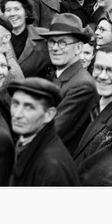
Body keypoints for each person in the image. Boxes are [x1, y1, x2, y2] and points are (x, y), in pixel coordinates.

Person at [40, 13, 99, 154]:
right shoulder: (56, 76)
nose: (54, 48)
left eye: (62, 43)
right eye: (51, 42)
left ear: (79, 48)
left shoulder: (82, 85)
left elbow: (51, 131)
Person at [7, 78, 80, 186]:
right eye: (15, 104)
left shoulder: (52, 167)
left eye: (28, 107)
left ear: (49, 115)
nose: (17, 114)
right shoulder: (29, 141)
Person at [73, 43, 112, 186]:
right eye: (98, 68)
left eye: (111, 70)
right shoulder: (99, 103)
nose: (103, 76)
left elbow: (95, 176)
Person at [1, 0, 51, 78]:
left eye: (17, 9)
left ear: (26, 12)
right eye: (8, 10)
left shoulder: (44, 37)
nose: (12, 14)